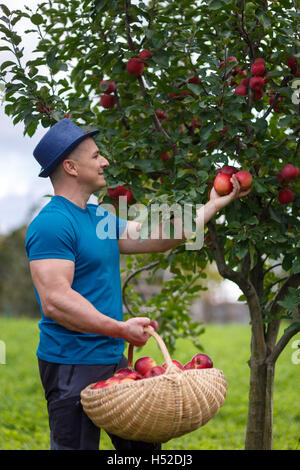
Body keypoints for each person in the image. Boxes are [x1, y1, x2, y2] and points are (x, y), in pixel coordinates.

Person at [25, 118, 251, 450]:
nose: (105, 162)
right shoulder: (52, 224)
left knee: (143, 450)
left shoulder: (99, 217)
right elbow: (56, 301)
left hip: (112, 359)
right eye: (96, 156)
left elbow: (158, 236)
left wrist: (213, 205)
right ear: (71, 167)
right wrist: (120, 329)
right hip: (70, 363)